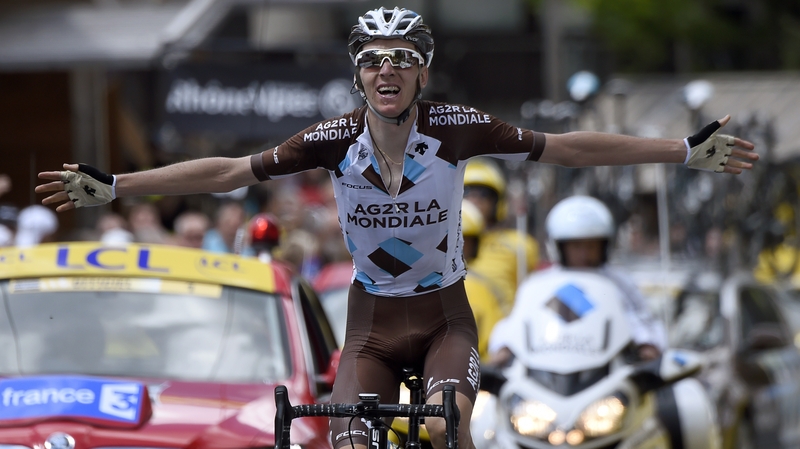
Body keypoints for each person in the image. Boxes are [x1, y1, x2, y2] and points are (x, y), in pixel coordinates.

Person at [35, 7, 756, 449]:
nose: (387, 70)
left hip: (444, 318)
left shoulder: (455, 128)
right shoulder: (330, 138)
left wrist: (684, 152)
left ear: (423, 74)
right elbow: (227, 171)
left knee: (444, 426)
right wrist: (117, 185)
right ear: (357, 75)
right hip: (372, 320)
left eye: (402, 61)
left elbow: (565, 146)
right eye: (372, 60)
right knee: (347, 439)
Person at [488, 195, 667, 366]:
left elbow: (641, 319)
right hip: (547, 365)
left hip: (608, 366)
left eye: (591, 246)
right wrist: (504, 347)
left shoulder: (618, 281)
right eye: (576, 246)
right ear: (559, 246)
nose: (584, 254)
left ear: (604, 246)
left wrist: (647, 345)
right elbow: (519, 320)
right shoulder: (538, 283)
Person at [463, 157, 539, 315]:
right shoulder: (441, 244)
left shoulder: (520, 245)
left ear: (497, 202)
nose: (476, 200)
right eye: (467, 192)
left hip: (501, 334)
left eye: (484, 194)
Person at [461, 199, 504, 361]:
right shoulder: (411, 283)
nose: (456, 247)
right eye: (449, 239)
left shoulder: (482, 287)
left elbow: (493, 344)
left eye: (465, 241)